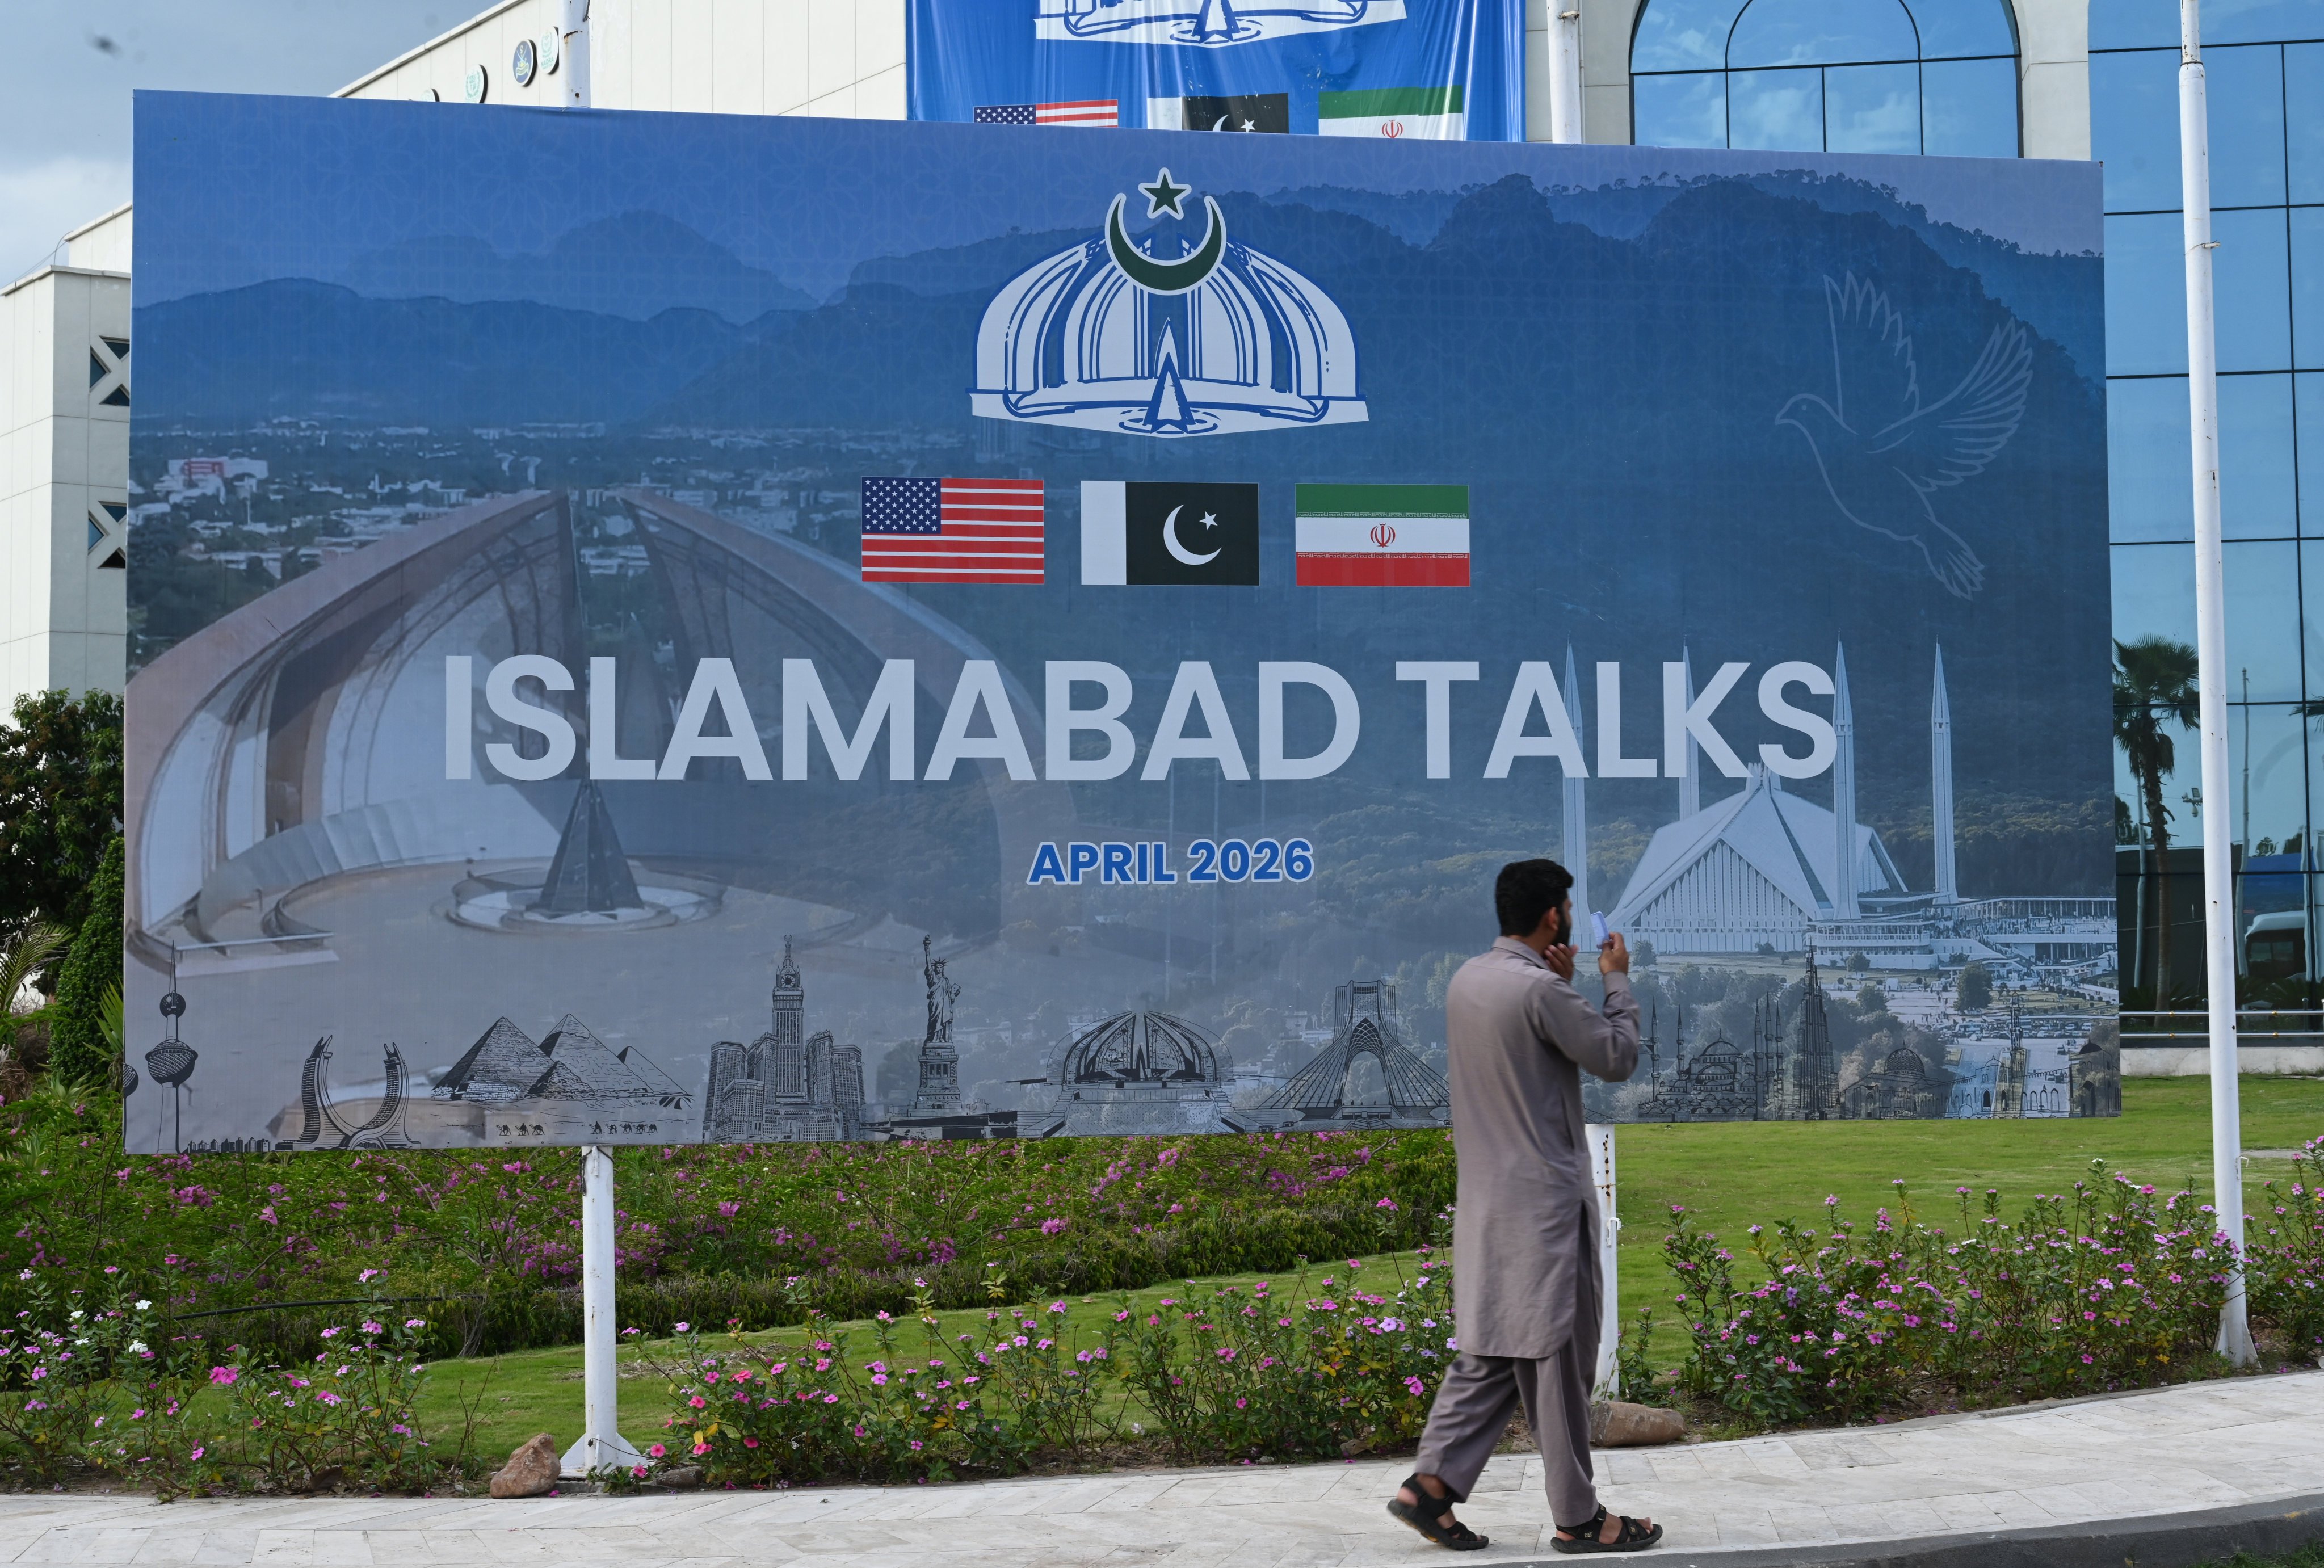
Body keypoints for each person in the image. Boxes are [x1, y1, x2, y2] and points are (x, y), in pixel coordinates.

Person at [1386, 858, 1662, 1555]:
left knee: (1491, 1352)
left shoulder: (1470, 981)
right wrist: (1615, 980)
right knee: (1555, 1362)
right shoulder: (1543, 993)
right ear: (1553, 918)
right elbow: (1617, 1057)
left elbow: (1529, 1044)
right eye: (1567, 907)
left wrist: (1560, 986)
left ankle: (1430, 1488)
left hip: (1487, 1201)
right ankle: (1580, 1517)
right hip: (1543, 1208)